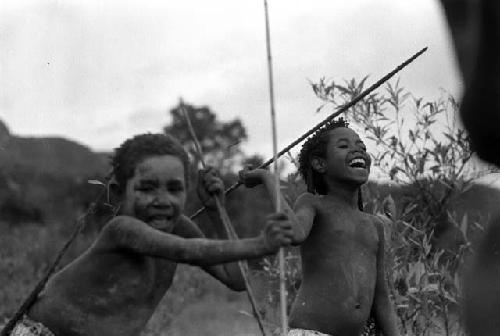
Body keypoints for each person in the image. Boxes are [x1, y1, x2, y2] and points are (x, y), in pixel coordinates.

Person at [10, 133, 293, 336]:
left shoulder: (180, 227)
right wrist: (261, 244)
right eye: (146, 189)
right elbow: (186, 251)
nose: (162, 200)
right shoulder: (122, 230)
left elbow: (236, 278)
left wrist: (215, 210)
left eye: (174, 189)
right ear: (120, 193)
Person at [239, 119, 399, 336]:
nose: (357, 150)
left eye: (362, 147)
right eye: (344, 146)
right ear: (319, 164)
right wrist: (266, 178)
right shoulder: (313, 204)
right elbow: (294, 233)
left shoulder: (375, 226)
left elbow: (382, 299)